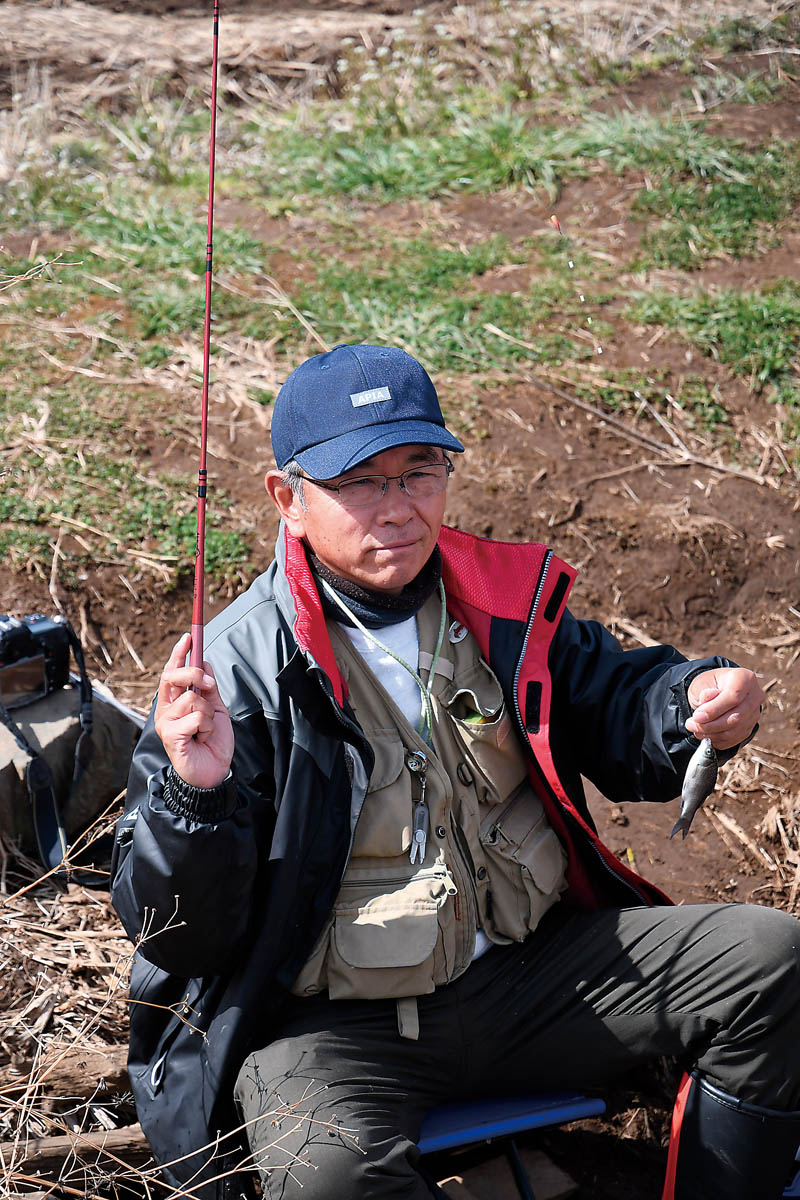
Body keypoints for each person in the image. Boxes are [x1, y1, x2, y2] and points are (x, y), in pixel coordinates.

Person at [111, 343, 800, 1200]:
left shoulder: (500, 602)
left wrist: (689, 697)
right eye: (360, 481)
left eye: (419, 471)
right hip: (332, 1031)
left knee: (771, 960)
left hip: (532, 979)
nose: (396, 509)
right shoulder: (230, 676)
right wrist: (196, 795)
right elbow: (179, 935)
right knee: (323, 1175)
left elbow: (615, 701)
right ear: (288, 499)